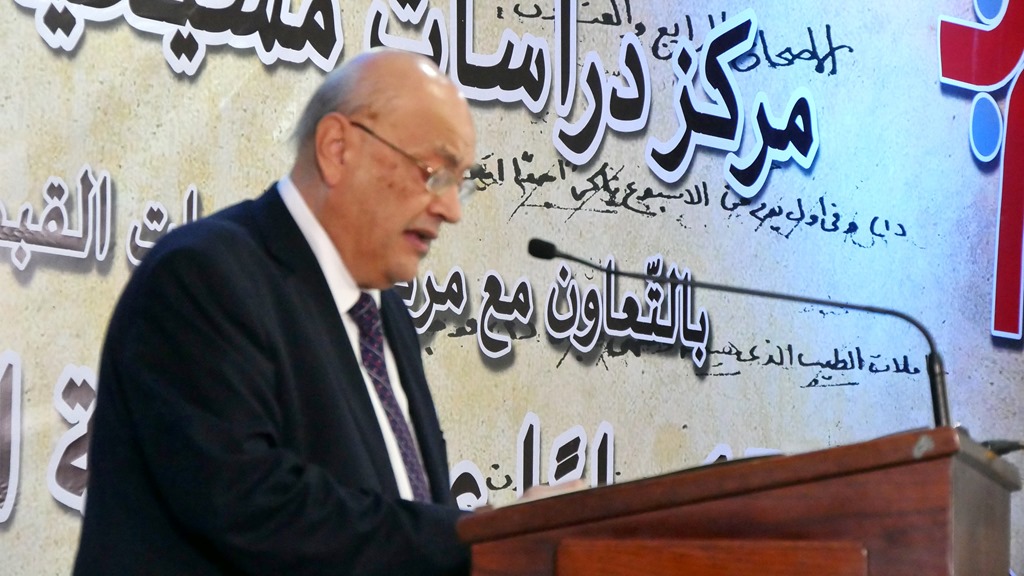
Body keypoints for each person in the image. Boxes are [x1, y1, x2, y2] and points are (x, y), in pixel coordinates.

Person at [73, 49, 477, 576]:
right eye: (434, 174)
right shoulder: (204, 277)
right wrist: (470, 537)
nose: (451, 209)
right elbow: (254, 508)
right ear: (337, 149)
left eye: (460, 183)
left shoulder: (383, 310)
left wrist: (504, 539)